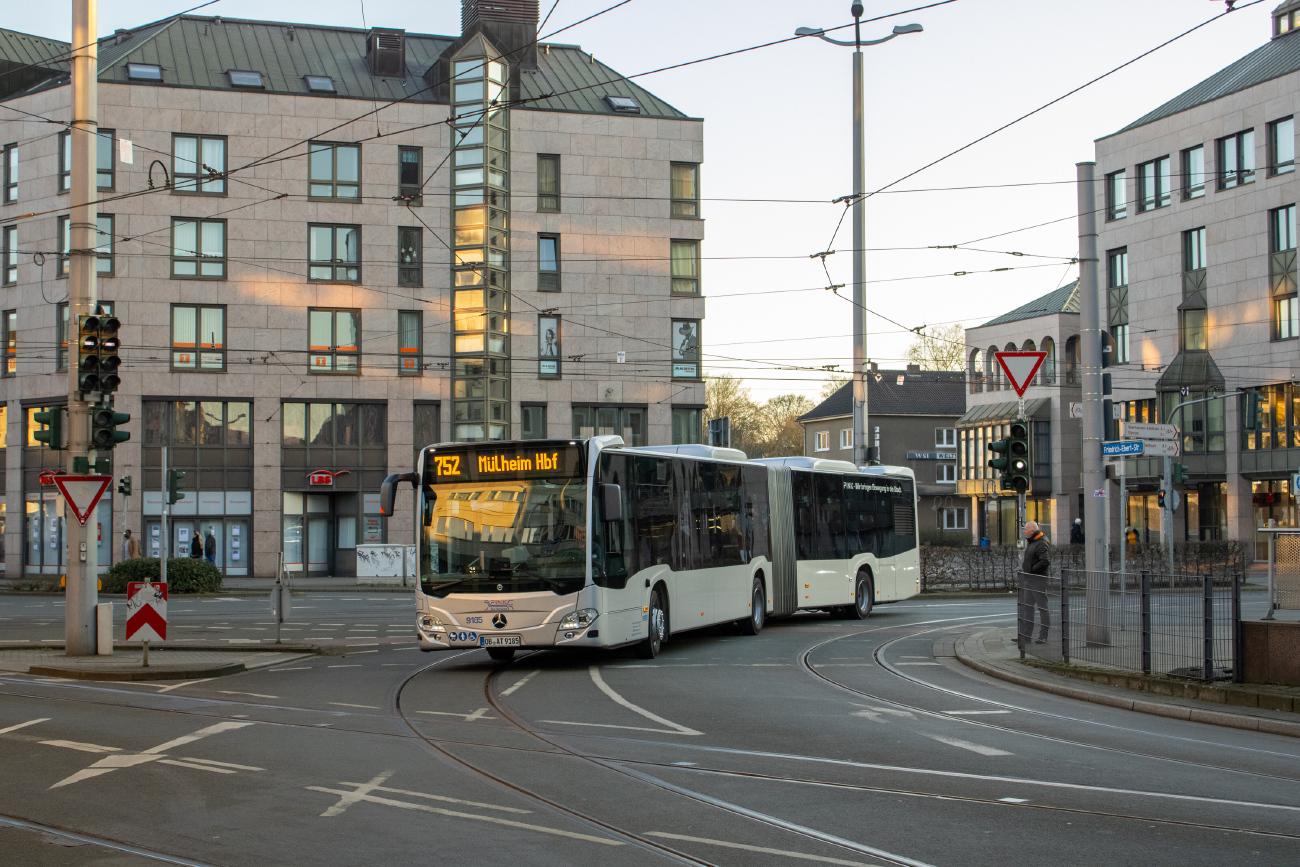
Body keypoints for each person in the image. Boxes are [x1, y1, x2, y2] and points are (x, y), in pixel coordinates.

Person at [1019, 520, 1051, 646]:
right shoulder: (1034, 542)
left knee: (1042, 608)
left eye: (1026, 529)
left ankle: (1043, 636)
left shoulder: (1041, 543)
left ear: (1032, 531)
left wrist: (1031, 570)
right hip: (1030, 579)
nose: (1024, 531)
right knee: (1028, 607)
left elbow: (1045, 561)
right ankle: (1026, 636)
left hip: (1038, 580)